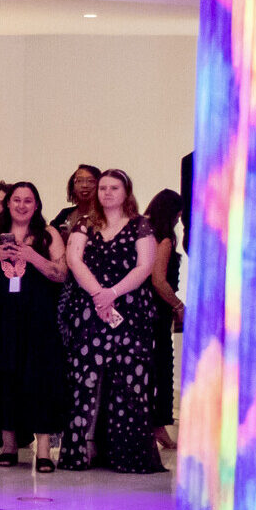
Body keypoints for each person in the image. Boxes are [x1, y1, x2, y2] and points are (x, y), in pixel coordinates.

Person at [58, 169, 165, 474]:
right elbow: (74, 260)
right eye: (102, 187)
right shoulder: (84, 223)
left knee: (131, 384)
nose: (106, 192)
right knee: (83, 381)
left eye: (113, 188)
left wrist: (113, 293)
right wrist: (98, 294)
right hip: (91, 309)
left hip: (130, 310)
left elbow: (145, 266)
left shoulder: (141, 225)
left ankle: (129, 456)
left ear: (126, 192)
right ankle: (77, 453)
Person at [0, 181, 68, 468]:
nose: (21, 205)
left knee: (40, 380)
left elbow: (61, 274)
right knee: (4, 379)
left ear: (36, 205)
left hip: (38, 318)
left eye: (28, 200)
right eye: (16, 200)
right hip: (1, 318)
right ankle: (9, 446)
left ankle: (43, 450)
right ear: (7, 204)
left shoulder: (48, 234)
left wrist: (32, 257)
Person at [142, 189, 185, 449]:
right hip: (157, 311)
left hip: (140, 309)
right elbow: (159, 280)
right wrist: (179, 305)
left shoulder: (142, 231)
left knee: (145, 369)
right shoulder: (164, 239)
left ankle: (148, 426)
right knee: (160, 368)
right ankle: (158, 425)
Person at [50, 164, 102, 231]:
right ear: (72, 187)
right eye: (79, 180)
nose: (84, 185)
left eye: (91, 181)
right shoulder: (65, 214)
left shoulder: (106, 214)